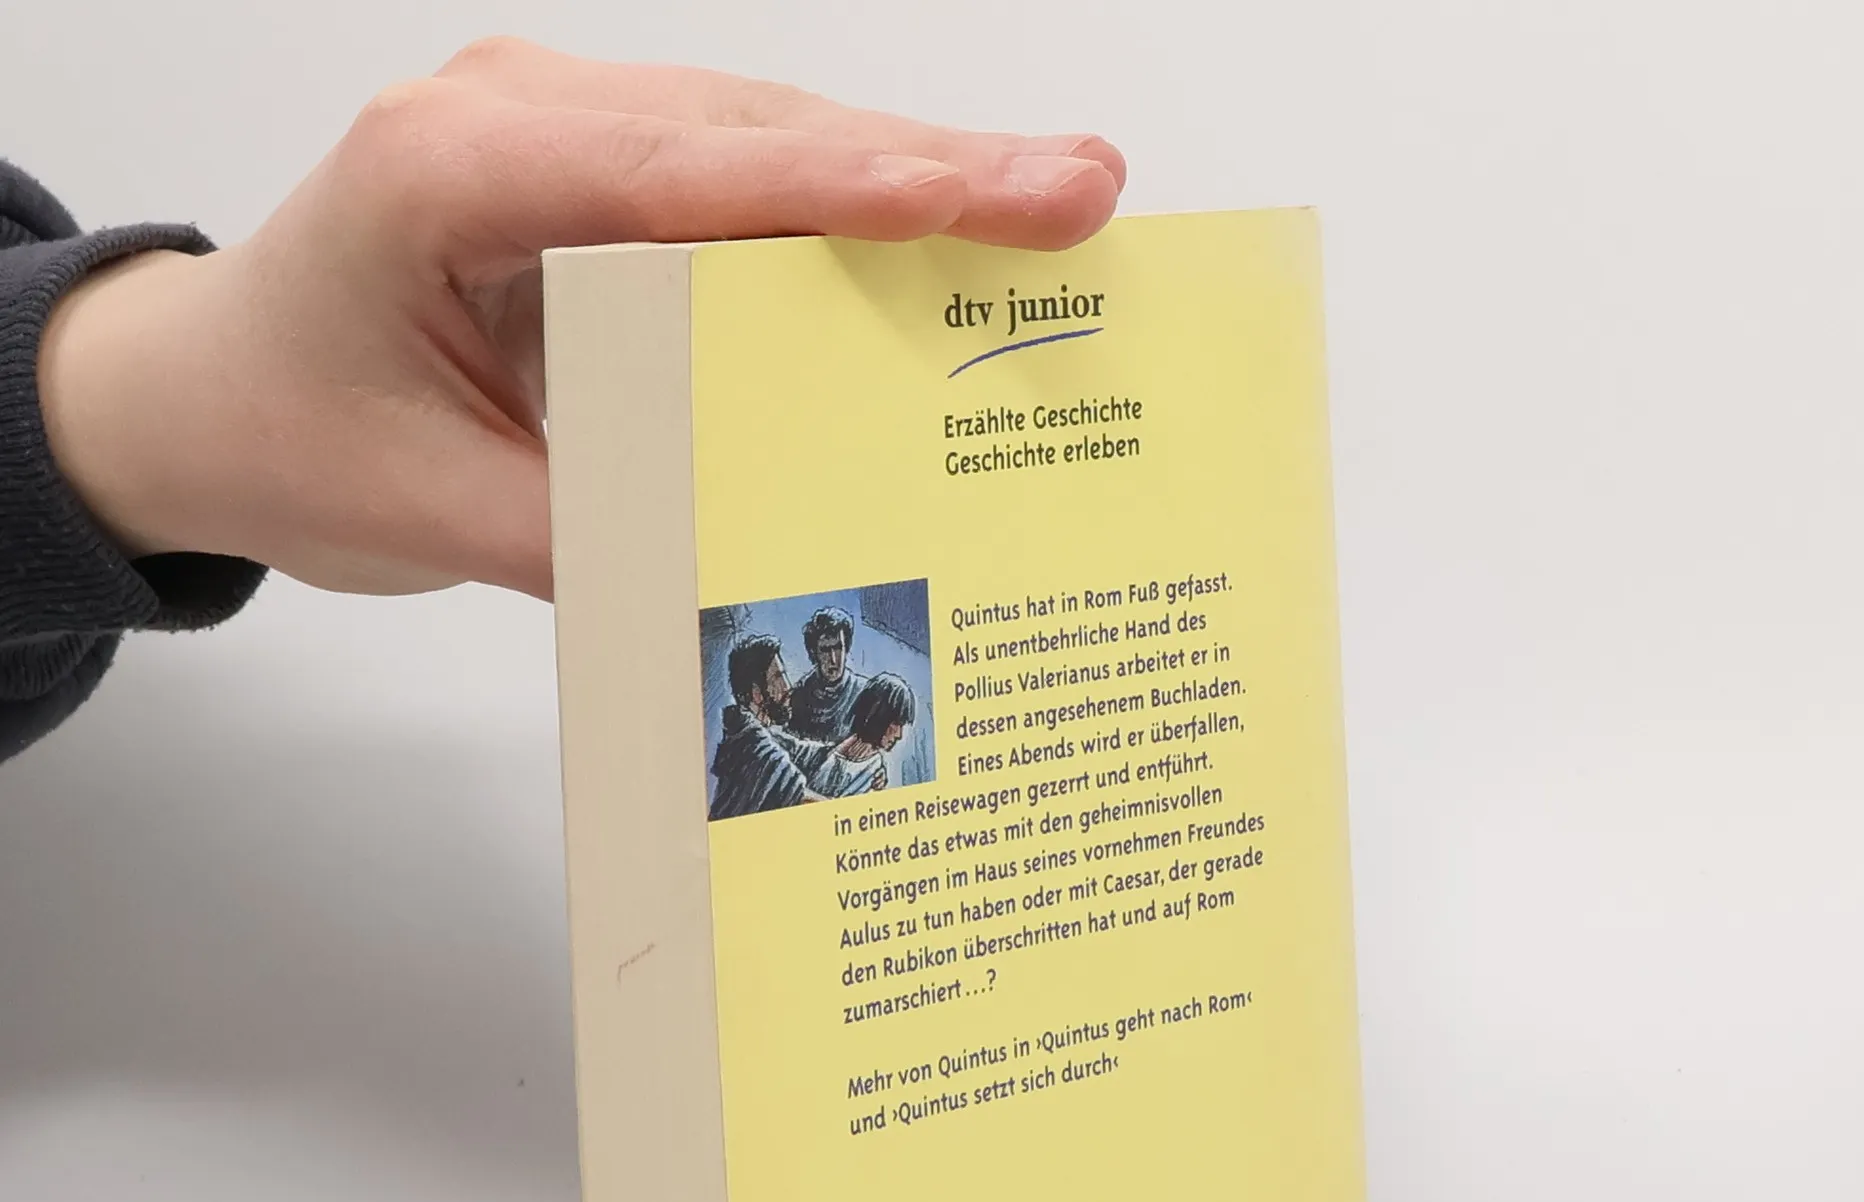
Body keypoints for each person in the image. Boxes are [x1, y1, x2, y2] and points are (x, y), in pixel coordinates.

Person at [0, 40, 1126, 763]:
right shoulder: (772, 723)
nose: (813, 666)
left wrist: (119, 395)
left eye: (816, 655)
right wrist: (133, 397)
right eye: (808, 655)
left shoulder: (842, 706)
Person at [709, 634, 882, 818]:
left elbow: (802, 752)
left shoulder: (752, 733)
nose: (787, 686)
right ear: (756, 692)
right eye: (778, 677)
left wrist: (859, 754)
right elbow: (799, 796)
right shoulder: (750, 744)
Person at [787, 606, 865, 743]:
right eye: (825, 650)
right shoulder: (799, 695)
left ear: (846, 648)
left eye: (838, 648)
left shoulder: (864, 692)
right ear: (814, 653)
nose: (833, 659)